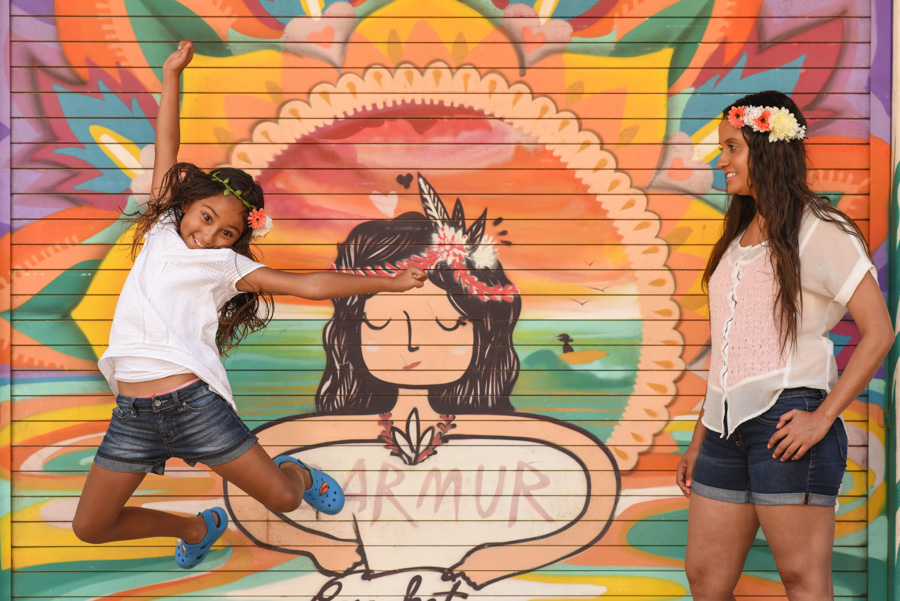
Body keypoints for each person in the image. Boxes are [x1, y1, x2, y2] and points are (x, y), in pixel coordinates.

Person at [71, 40, 427, 570]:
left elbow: (307, 286)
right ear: (186, 206)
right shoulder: (164, 230)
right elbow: (167, 142)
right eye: (206, 217)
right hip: (133, 414)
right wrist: (172, 76)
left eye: (227, 232)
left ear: (238, 240)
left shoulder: (227, 267)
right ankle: (198, 526)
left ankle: (300, 474)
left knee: (283, 500)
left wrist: (391, 284)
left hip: (194, 404)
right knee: (90, 527)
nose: (210, 233)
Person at [226, 174, 620, 598]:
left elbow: (592, 476)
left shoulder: (504, 436)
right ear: (352, 330)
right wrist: (322, 550)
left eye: (449, 324)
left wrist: (490, 566)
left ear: (482, 332)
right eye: (380, 323)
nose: (412, 344)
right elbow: (241, 479)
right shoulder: (339, 432)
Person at [676, 90, 893, 600]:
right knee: (705, 580)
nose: (720, 160)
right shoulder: (737, 236)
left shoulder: (821, 231)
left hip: (788, 422)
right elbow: (731, 344)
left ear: (766, 148)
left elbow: (879, 332)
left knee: (801, 580)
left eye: (732, 148)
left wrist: (823, 419)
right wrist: (700, 437)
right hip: (723, 428)